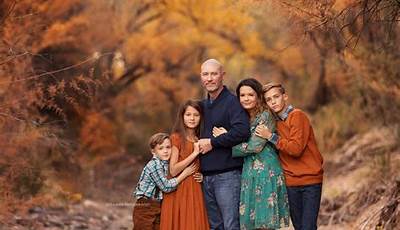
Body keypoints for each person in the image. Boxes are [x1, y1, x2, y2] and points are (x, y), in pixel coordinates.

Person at [213, 78, 290, 229]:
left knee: (265, 224)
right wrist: (230, 135)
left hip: (266, 172)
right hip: (249, 172)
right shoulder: (243, 117)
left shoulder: (265, 116)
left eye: (250, 95)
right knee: (252, 224)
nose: (246, 98)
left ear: (258, 96)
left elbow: (255, 146)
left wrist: (225, 140)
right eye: (242, 95)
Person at [256, 82, 324, 230]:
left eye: (276, 97)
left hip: (310, 180)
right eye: (268, 99)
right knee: (299, 226)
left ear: (284, 97)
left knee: (308, 227)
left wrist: (270, 136)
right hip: (290, 182)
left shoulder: (297, 116)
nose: (273, 101)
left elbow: (296, 148)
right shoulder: (274, 123)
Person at [197, 59, 251, 229]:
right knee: (215, 226)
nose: (210, 78)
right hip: (205, 177)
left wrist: (213, 143)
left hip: (228, 177)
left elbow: (242, 131)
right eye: (206, 74)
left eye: (214, 74)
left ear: (222, 76)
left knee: (231, 225)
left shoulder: (233, 102)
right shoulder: (202, 106)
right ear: (201, 77)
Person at [160, 100, 210, 229]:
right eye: (188, 115)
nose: (192, 118)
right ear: (182, 116)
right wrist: (194, 154)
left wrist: (203, 176)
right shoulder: (176, 137)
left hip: (195, 187)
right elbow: (173, 170)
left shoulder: (201, 138)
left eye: (196, 115)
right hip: (179, 187)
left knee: (195, 223)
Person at [132, 133, 197, 230]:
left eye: (168, 147)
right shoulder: (154, 165)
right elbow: (166, 186)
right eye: (161, 148)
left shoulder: (167, 164)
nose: (165, 151)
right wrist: (185, 174)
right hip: (145, 206)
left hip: (157, 206)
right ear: (153, 151)